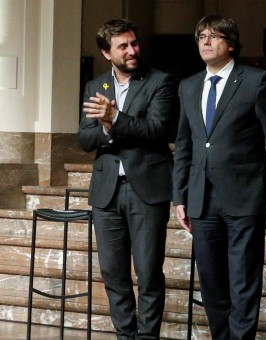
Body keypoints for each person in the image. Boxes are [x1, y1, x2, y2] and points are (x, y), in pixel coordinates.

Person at [172, 15, 266, 339]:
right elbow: (185, 144)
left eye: (213, 36)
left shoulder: (255, 81)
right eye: (201, 37)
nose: (206, 42)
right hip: (201, 197)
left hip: (246, 195)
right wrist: (179, 195)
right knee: (211, 283)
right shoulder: (188, 85)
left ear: (231, 44)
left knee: (243, 281)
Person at [78, 19, 177, 339]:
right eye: (123, 46)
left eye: (134, 43)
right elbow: (84, 138)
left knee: (148, 273)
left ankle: (147, 337)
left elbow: (157, 130)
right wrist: (108, 129)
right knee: (113, 272)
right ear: (107, 53)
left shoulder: (159, 81)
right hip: (107, 191)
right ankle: (125, 335)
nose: (132, 50)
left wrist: (115, 119)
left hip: (146, 190)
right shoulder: (97, 87)